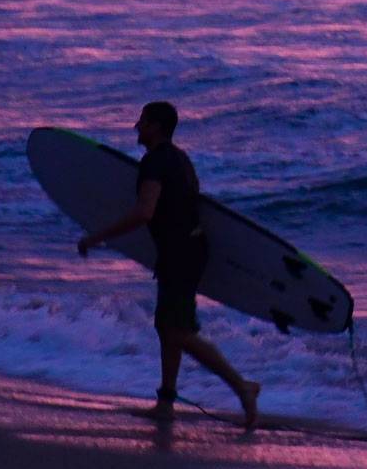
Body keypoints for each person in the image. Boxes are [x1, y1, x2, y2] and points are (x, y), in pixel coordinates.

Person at [78, 101, 261, 429]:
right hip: (187, 249)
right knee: (168, 328)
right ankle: (166, 402)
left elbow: (145, 212)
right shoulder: (180, 159)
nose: (136, 126)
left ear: (157, 126)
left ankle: (242, 386)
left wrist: (97, 236)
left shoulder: (155, 162)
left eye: (143, 121)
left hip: (181, 253)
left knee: (177, 331)